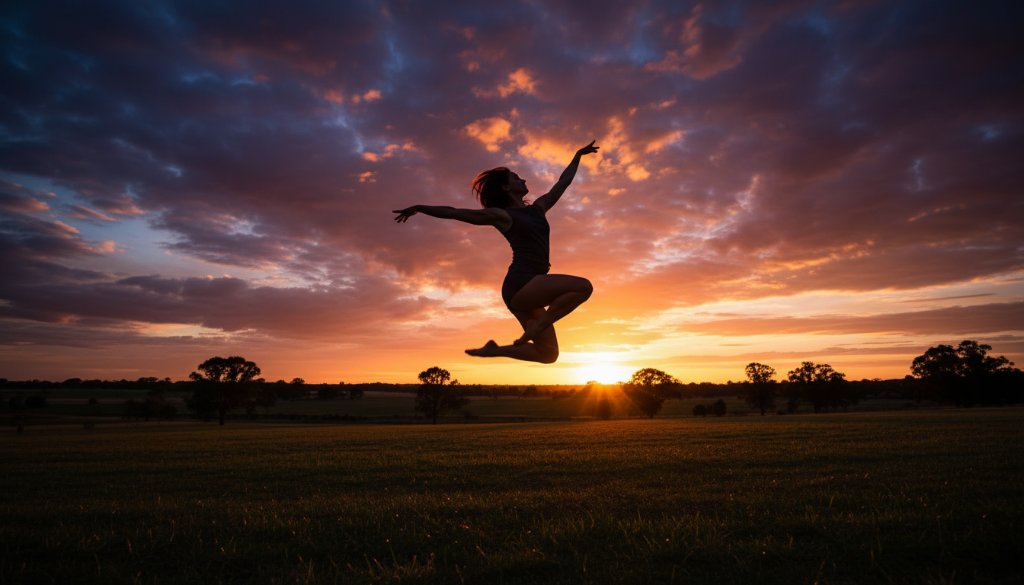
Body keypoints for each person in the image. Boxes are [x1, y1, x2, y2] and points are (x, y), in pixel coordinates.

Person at [393, 140, 599, 363]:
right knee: (583, 287)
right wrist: (419, 208)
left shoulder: (539, 208)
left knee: (548, 355)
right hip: (521, 283)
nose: (523, 179)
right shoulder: (502, 215)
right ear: (506, 188)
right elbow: (454, 212)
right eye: (516, 178)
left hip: (528, 289)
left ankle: (495, 350)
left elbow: (563, 182)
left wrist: (577, 155)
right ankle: (539, 325)